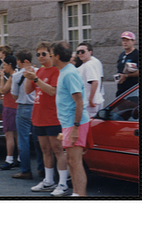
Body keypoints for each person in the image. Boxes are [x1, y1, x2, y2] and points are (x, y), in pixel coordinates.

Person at [24, 41, 69, 196]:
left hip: (53, 117)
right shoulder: (40, 71)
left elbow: (52, 91)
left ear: (51, 54)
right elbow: (28, 90)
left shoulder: (56, 71)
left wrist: (36, 79)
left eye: (44, 54)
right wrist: (28, 75)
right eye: (38, 54)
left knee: (57, 149)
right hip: (39, 116)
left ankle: (62, 183)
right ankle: (48, 180)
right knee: (45, 150)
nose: (41, 57)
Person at [50, 41, 90, 197]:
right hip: (69, 123)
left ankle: (81, 195)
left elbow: (79, 101)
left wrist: (75, 128)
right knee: (71, 162)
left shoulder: (69, 73)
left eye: (52, 55)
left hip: (74, 124)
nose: (51, 58)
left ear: (57, 57)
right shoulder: (65, 71)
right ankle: (76, 193)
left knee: (75, 161)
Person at [10, 49, 44, 180]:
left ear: (23, 61)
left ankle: (25, 170)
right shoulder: (38, 72)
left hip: (23, 107)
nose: (17, 64)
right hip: (36, 107)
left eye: (18, 61)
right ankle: (42, 169)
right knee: (39, 140)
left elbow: (14, 95)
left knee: (23, 140)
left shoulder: (17, 76)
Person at [0, 55, 19, 170]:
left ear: (10, 65)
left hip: (9, 108)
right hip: (15, 106)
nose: (3, 67)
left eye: (4, 64)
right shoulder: (17, 75)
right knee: (16, 135)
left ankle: (9, 159)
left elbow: (3, 89)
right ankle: (19, 158)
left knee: (8, 134)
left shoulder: (11, 77)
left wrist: (1, 78)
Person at [76, 43, 104, 117]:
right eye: (78, 52)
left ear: (90, 52)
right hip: (94, 101)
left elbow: (94, 82)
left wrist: (90, 100)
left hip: (91, 104)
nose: (80, 54)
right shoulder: (91, 63)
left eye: (82, 51)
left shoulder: (88, 65)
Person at [116, 31, 139, 97]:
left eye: (127, 40)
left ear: (133, 41)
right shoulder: (122, 55)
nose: (125, 42)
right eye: (123, 40)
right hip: (121, 91)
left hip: (133, 92)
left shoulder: (136, 54)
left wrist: (126, 75)